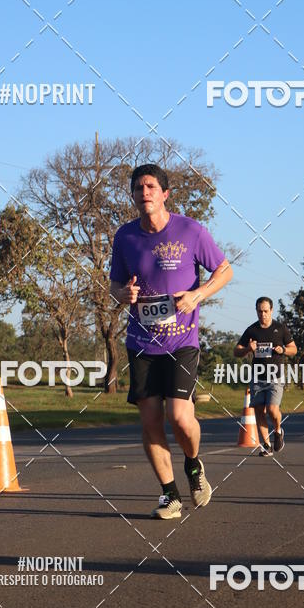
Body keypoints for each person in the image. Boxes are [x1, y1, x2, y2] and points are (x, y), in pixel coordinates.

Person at [110, 164, 233, 519]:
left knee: (179, 417)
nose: (144, 192)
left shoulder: (191, 230)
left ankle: (193, 464)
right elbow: (114, 285)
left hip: (182, 342)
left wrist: (197, 295)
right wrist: (123, 294)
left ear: (165, 194)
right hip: (141, 343)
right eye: (138, 188)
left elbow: (225, 270)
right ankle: (169, 495)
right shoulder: (125, 237)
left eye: (151, 187)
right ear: (132, 196)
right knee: (151, 421)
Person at [233, 297, 297, 455]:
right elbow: (236, 351)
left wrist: (283, 350)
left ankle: (278, 431)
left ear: (271, 310)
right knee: (259, 411)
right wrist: (248, 349)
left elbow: (294, 349)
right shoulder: (251, 330)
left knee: (272, 410)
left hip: (275, 376)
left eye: (266, 311)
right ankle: (267, 445)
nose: (263, 314)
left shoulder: (280, 328)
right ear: (256, 311)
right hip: (257, 377)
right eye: (260, 311)